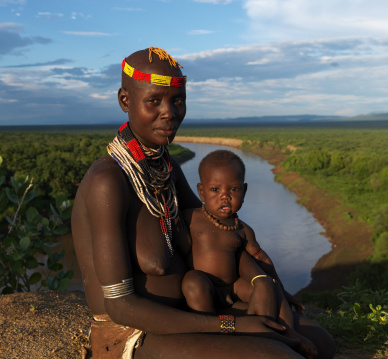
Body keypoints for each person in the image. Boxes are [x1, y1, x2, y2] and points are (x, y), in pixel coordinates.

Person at [71, 46, 335, 359]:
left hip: (193, 310)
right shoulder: (108, 183)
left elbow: (217, 236)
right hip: (136, 334)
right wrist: (231, 327)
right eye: (154, 100)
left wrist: (267, 283)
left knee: (320, 342)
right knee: (279, 355)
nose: (169, 112)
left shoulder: (164, 167)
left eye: (177, 100)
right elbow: (121, 307)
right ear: (125, 100)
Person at [180, 149, 317, 358]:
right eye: (215, 189)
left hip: (233, 285)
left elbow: (261, 258)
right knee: (193, 281)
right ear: (201, 192)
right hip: (206, 287)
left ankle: (276, 333)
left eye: (233, 189)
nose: (225, 196)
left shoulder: (243, 229)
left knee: (265, 284)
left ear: (243, 191)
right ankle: (212, 336)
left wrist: (282, 289)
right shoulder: (191, 219)